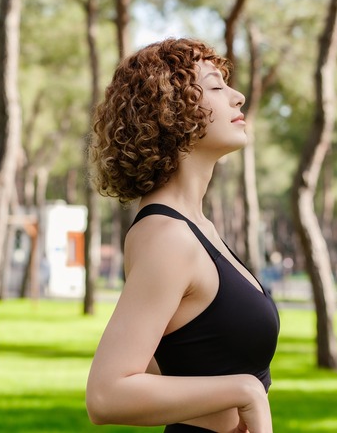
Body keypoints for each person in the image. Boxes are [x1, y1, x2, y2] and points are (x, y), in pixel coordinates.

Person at [85, 38, 280, 433]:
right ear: (172, 111)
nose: (238, 96)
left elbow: (173, 358)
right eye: (215, 86)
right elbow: (106, 395)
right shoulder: (168, 236)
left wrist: (225, 402)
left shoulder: (194, 228)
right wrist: (244, 392)